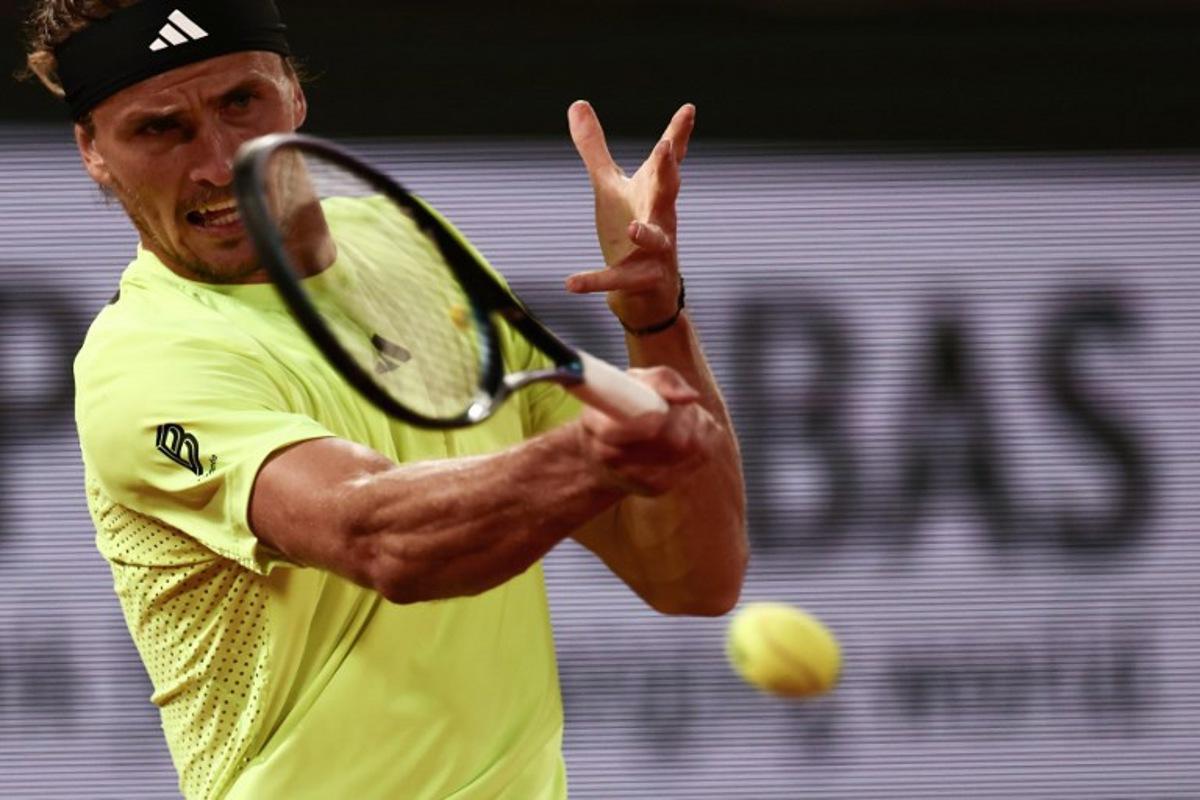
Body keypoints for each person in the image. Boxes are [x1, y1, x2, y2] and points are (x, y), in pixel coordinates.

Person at [22, 1, 747, 797]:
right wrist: (592, 456)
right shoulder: (145, 365)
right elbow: (378, 536)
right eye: (161, 129)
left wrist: (655, 319)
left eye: (241, 102)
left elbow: (694, 578)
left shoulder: (403, 239)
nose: (221, 164)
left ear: (293, 91)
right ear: (93, 151)